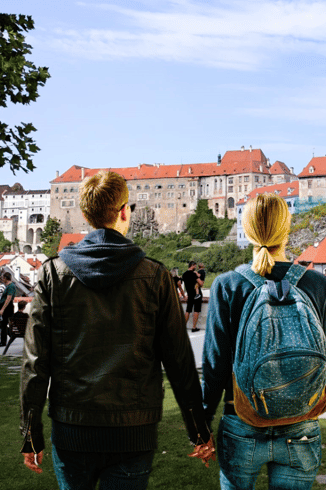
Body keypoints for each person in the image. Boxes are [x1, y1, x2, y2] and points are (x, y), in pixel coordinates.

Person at [19, 170, 214, 488]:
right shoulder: (155, 276)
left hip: (72, 428)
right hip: (132, 431)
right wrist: (199, 429)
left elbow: (35, 363)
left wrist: (30, 433)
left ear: (83, 214)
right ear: (125, 211)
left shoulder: (51, 275)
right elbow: (179, 361)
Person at [202, 193, 326, 490]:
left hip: (242, 417)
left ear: (247, 232)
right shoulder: (317, 284)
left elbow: (215, 365)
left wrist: (202, 424)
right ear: (287, 230)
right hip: (301, 421)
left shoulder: (228, 285)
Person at [0, 272, 16, 348]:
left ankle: (3, 342)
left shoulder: (10, 286)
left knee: (3, 324)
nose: (2, 279)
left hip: (7, 307)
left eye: (3, 278)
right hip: (6, 306)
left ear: (6, 278)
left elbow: (9, 298)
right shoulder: (9, 286)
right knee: (2, 324)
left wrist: (2, 309)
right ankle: (11, 336)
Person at [183, 261, 204, 332]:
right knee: (196, 310)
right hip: (196, 295)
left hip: (189, 294)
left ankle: (183, 328)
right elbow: (201, 284)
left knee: (188, 310)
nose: (195, 267)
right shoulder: (193, 274)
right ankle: (194, 327)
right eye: (195, 266)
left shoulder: (184, 274)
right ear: (192, 265)